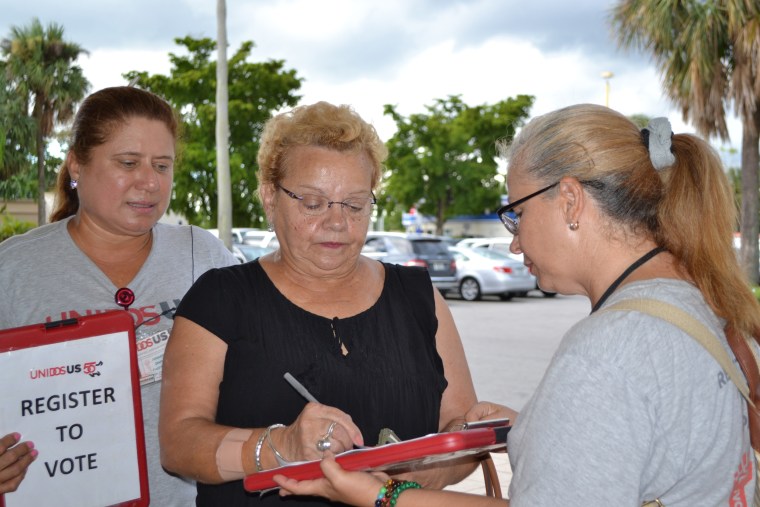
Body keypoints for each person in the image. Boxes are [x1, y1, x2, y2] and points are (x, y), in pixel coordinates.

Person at [271, 103, 760, 507]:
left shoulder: (610, 350)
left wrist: (386, 496)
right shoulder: (697, 302)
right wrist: (543, 430)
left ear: (569, 201)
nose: (514, 243)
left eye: (517, 213)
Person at [158, 101, 478, 506]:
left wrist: (420, 474)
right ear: (270, 198)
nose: (336, 222)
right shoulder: (220, 298)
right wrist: (281, 446)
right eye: (312, 203)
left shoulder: (417, 296)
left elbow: (458, 428)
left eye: (355, 204)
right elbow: (179, 444)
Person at [0, 86, 238, 505]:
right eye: (128, 163)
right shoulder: (14, 269)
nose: (149, 181)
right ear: (77, 164)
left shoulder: (202, 254)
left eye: (162, 166)